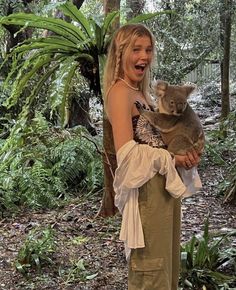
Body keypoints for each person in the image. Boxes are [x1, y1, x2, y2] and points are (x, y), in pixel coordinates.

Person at [103, 23, 200, 290]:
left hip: (164, 191)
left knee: (166, 269)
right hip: (147, 195)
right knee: (151, 273)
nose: (144, 56)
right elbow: (128, 154)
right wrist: (172, 160)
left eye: (148, 49)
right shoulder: (119, 93)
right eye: (136, 49)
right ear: (121, 53)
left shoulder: (142, 95)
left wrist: (185, 155)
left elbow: (159, 144)